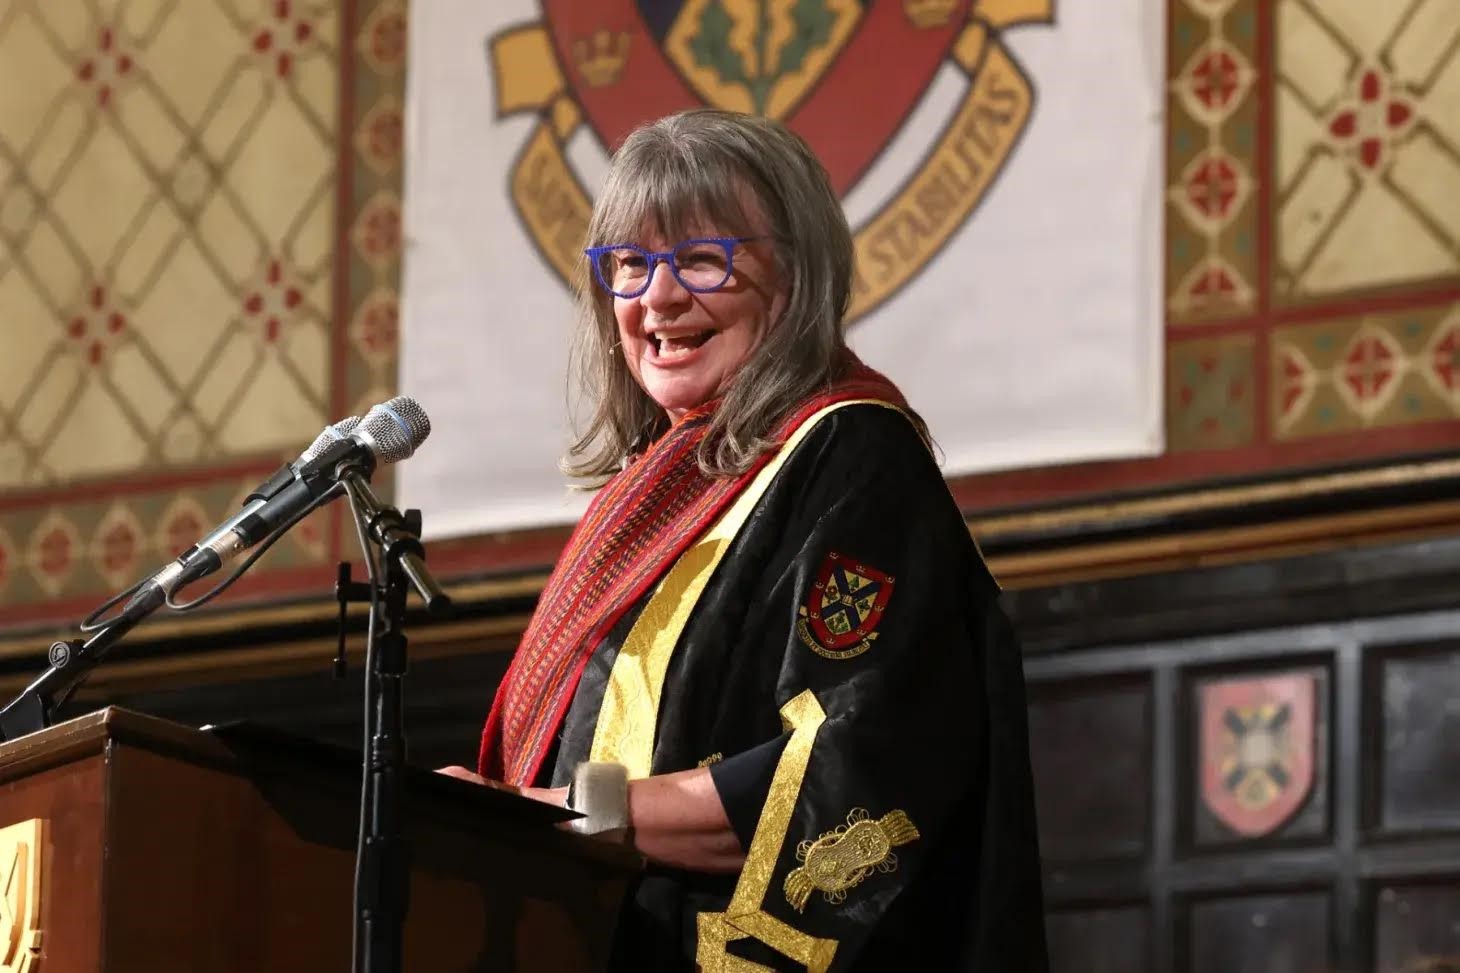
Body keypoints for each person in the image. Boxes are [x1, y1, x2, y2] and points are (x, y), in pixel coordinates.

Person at [439, 108, 1048, 971]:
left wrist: (553, 812)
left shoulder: (852, 458)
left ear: (797, 278)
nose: (656, 297)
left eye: (701, 258)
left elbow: (851, 769)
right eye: (630, 264)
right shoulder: (659, 499)